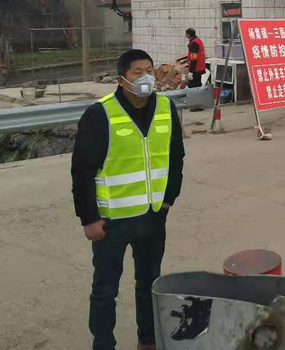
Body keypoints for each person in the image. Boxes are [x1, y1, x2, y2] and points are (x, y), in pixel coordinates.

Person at [71, 49, 186, 350]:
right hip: (112, 221)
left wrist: (169, 199)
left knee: (149, 284)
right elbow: (82, 170)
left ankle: (148, 340)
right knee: (105, 289)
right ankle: (103, 344)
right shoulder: (100, 114)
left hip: (152, 215)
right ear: (122, 79)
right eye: (138, 72)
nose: (146, 77)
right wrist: (89, 219)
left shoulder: (166, 107)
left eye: (149, 70)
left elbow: (176, 156)